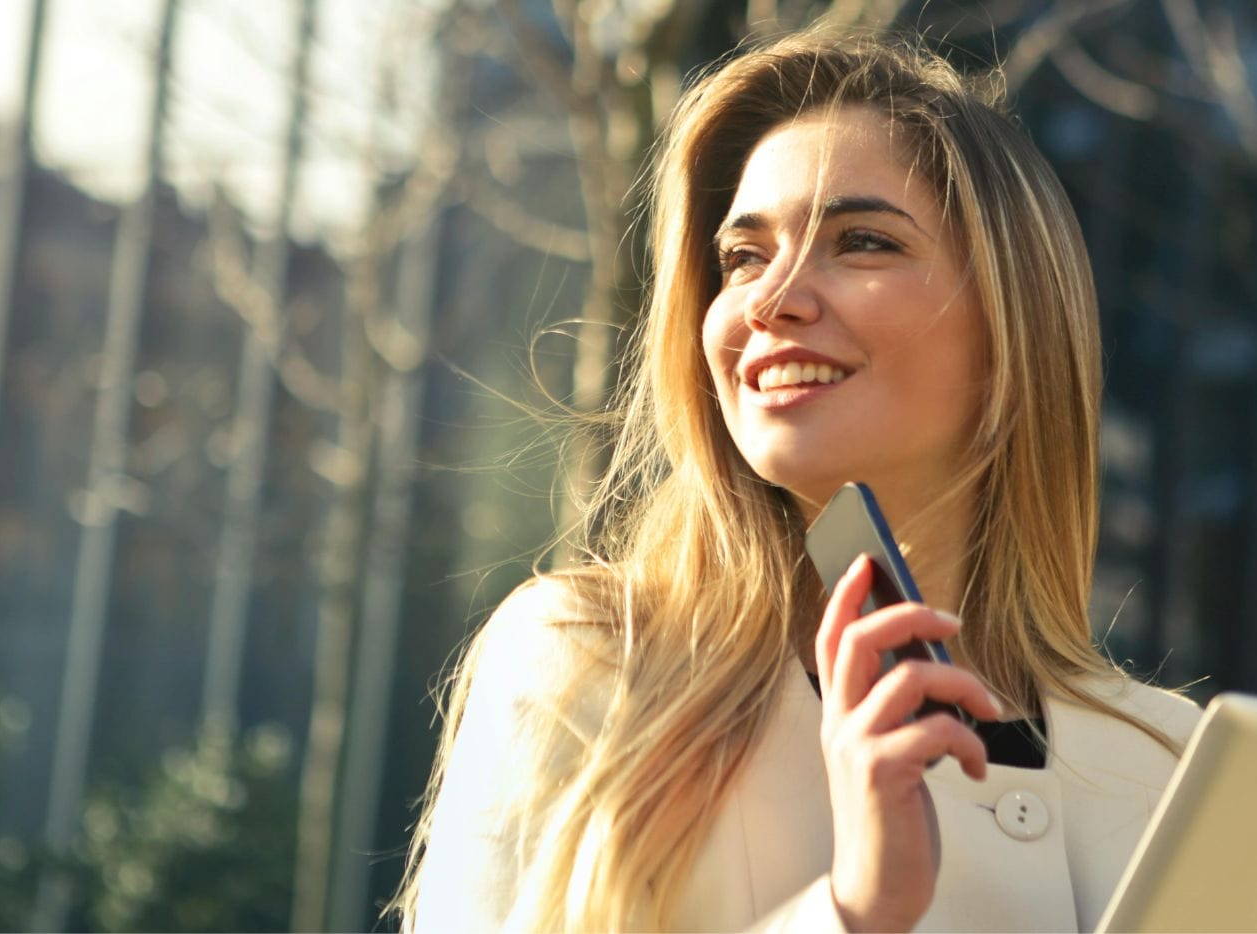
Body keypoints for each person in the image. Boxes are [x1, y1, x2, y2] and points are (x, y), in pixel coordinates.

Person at [390, 28, 1200, 932]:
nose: (772, 299)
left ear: (1015, 321)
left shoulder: (1172, 766)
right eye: (742, 257)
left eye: (860, 242)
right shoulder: (592, 664)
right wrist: (852, 908)